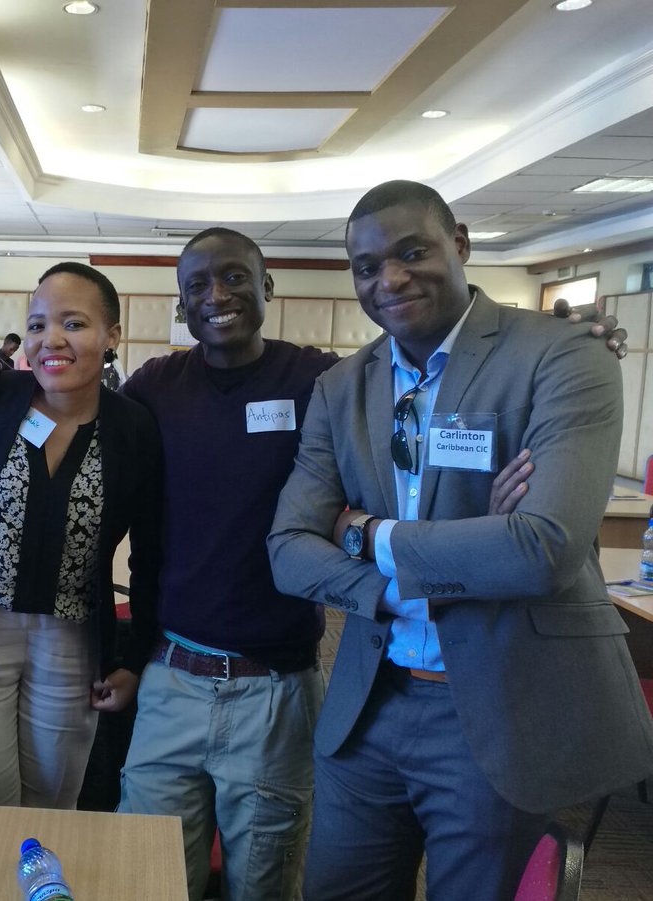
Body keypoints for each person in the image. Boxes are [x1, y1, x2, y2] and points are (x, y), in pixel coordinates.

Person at [0, 231, 624, 901]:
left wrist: (553, 365)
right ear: (180, 304)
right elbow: (79, 415)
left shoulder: (320, 381)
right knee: (145, 874)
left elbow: (428, 411)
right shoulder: (158, 387)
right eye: (198, 285)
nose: (217, 295)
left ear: (267, 287)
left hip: (274, 685)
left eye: (236, 277)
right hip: (171, 675)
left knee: (264, 877)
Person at [268, 180, 653, 900]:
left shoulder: (562, 357)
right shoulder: (342, 387)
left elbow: (542, 547)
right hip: (368, 706)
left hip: (501, 708)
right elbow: (288, 547)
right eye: (366, 265)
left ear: (461, 243)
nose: (389, 278)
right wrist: (407, 576)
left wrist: (365, 532)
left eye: (412, 251)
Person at [0, 262, 162, 808]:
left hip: (70, 641)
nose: (52, 340)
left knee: (54, 803)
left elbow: (150, 550)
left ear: (111, 335)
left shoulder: (132, 426)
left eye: (74, 324)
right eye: (38, 324)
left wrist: (132, 658)